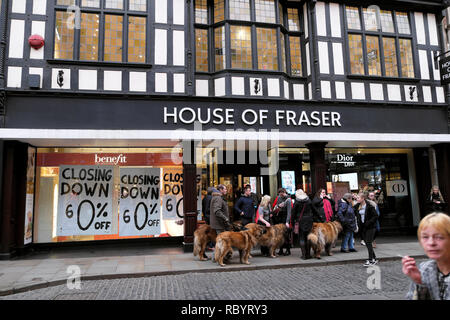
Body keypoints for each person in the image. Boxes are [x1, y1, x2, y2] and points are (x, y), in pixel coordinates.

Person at [402, 212, 450, 300]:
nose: (431, 243)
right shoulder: (425, 269)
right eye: (425, 237)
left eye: (439, 237)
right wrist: (418, 282)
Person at [354, 192, 379, 267]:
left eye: (358, 198)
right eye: (357, 198)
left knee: (368, 242)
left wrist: (369, 222)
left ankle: (371, 260)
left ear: (363, 198)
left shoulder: (369, 206)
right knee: (367, 242)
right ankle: (374, 258)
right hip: (363, 228)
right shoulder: (358, 205)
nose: (357, 199)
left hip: (370, 227)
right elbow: (351, 209)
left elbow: (375, 216)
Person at [292, 189, 313, 260]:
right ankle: (308, 254)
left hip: (300, 221)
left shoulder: (297, 202)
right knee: (308, 237)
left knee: (302, 238)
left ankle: (304, 255)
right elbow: (313, 210)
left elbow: (293, 213)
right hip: (309, 221)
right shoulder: (309, 200)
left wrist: (292, 222)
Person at [271, 188, 292, 255]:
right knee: (280, 235)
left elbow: (289, 212)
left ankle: (288, 250)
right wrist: (278, 206)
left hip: (285, 217)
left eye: (282, 194)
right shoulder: (279, 198)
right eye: (279, 194)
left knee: (286, 235)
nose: (280, 195)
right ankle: (281, 249)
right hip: (279, 217)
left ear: (284, 192)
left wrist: (287, 222)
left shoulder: (288, 199)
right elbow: (276, 207)